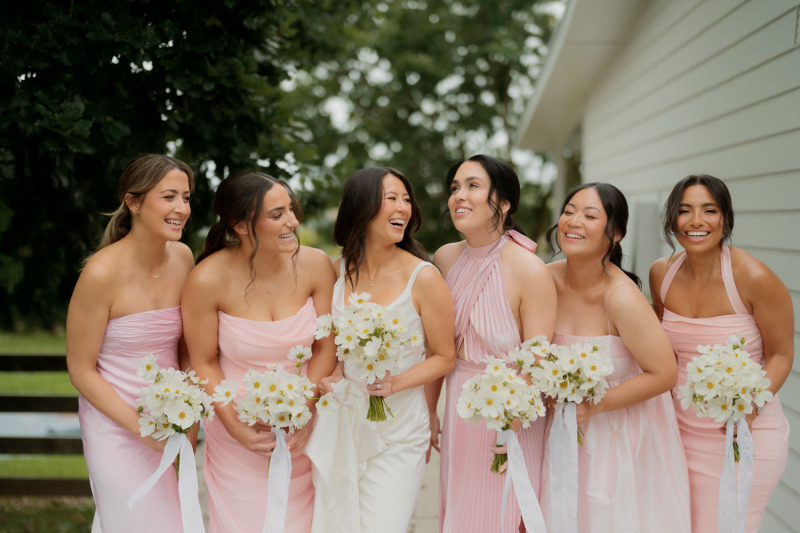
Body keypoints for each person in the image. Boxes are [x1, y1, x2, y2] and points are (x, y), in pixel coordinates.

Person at [181, 171, 337, 533]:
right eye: (277, 214)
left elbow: (325, 348)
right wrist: (235, 427)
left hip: (304, 427)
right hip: (237, 431)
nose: (293, 222)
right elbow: (202, 360)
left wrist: (304, 409)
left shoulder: (315, 265)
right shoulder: (206, 279)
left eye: (290, 211)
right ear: (240, 225)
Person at [309, 167, 455, 533]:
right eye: (391, 198)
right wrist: (336, 374)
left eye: (406, 200)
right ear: (362, 206)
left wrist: (397, 382)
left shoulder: (424, 277)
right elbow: (331, 345)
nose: (402, 208)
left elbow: (445, 356)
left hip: (401, 429)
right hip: (344, 421)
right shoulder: (335, 271)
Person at [540, 182, 691, 533]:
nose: (573, 221)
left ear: (616, 234)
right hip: (560, 426)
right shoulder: (544, 278)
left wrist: (593, 406)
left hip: (617, 433)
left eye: (589, 215)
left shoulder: (620, 297)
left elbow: (664, 373)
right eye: (569, 211)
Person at [650, 174, 792, 533]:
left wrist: (749, 409)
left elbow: (781, 354)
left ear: (725, 219)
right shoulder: (660, 274)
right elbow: (657, 350)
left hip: (744, 435)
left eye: (708, 210)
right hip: (677, 435)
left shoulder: (755, 277)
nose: (696, 221)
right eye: (685, 211)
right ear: (672, 220)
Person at [67, 154, 195, 532]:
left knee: (171, 520)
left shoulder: (184, 258)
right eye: (169, 196)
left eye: (186, 198)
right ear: (134, 202)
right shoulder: (100, 274)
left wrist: (190, 412)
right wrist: (141, 429)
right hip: (114, 424)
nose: (181, 209)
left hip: (170, 418)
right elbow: (80, 369)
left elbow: (186, 345)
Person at [433, 155, 557, 533]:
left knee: (507, 512)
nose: (459, 196)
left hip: (513, 414)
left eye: (472, 186)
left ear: (502, 203)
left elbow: (538, 361)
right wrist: (430, 417)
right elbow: (437, 349)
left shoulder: (528, 268)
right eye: (455, 187)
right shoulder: (444, 258)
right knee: (461, 514)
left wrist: (512, 424)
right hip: (460, 409)